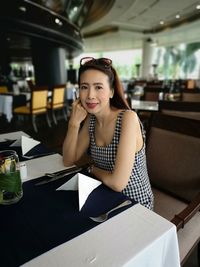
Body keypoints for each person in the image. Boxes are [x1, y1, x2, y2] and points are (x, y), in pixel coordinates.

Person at [62, 57, 154, 210]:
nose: (90, 95)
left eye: (98, 87)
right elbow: (68, 160)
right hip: (103, 194)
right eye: (84, 87)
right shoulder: (91, 120)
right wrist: (73, 124)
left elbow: (118, 184)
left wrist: (92, 169)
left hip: (134, 203)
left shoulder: (128, 119)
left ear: (111, 91)